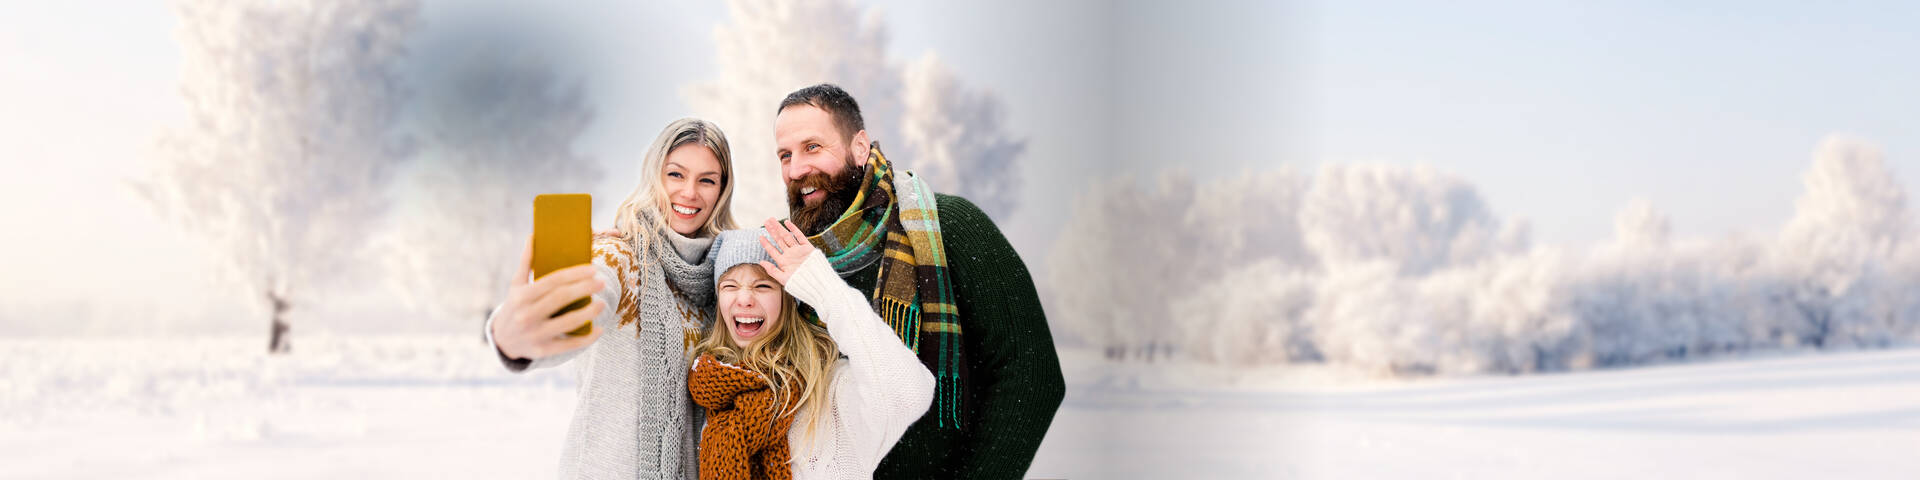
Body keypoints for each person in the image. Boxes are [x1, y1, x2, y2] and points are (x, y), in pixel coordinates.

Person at [771, 84, 1064, 478]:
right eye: (785, 155)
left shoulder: (948, 226)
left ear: (859, 147)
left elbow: (1031, 373)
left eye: (812, 148)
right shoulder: (786, 254)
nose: (796, 170)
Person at [486, 118, 739, 479]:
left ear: (722, 190)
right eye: (676, 175)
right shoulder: (618, 258)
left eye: (707, 180)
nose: (689, 193)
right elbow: (579, 312)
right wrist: (515, 338)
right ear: (654, 176)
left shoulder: (723, 282)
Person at [687, 220, 934, 480]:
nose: (745, 299)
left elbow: (909, 392)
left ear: (788, 301)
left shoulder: (828, 391)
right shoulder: (709, 393)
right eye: (730, 286)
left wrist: (826, 290)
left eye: (763, 286)